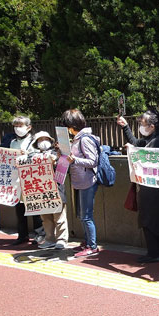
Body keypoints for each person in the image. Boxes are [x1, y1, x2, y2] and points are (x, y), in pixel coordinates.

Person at [117, 109, 159, 263]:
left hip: (152, 189)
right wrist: (125, 127)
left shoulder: (157, 141)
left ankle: (154, 253)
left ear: (152, 126)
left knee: (149, 220)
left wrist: (133, 150)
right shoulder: (152, 140)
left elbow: (142, 153)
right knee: (158, 219)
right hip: (156, 187)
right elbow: (135, 143)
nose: (141, 126)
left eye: (142, 123)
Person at [62, 109, 100, 258]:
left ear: (72, 125)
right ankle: (87, 242)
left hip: (87, 181)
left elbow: (93, 161)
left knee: (86, 216)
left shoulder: (84, 139)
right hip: (80, 181)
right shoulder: (78, 138)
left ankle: (92, 245)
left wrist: (74, 160)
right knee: (83, 215)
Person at [30, 131, 69, 250]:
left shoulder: (57, 154)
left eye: (45, 139)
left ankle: (62, 240)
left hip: (56, 189)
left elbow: (63, 170)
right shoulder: (32, 156)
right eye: (40, 140)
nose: (43, 142)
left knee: (59, 217)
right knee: (46, 218)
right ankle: (49, 238)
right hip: (41, 190)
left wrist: (55, 162)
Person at [10, 116, 44, 246]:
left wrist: (26, 155)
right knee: (19, 209)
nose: (18, 128)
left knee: (35, 209)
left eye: (20, 125)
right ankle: (22, 235)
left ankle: (39, 234)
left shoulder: (34, 141)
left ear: (29, 127)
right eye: (16, 125)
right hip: (17, 180)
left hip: (31, 179)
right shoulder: (13, 142)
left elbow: (38, 158)